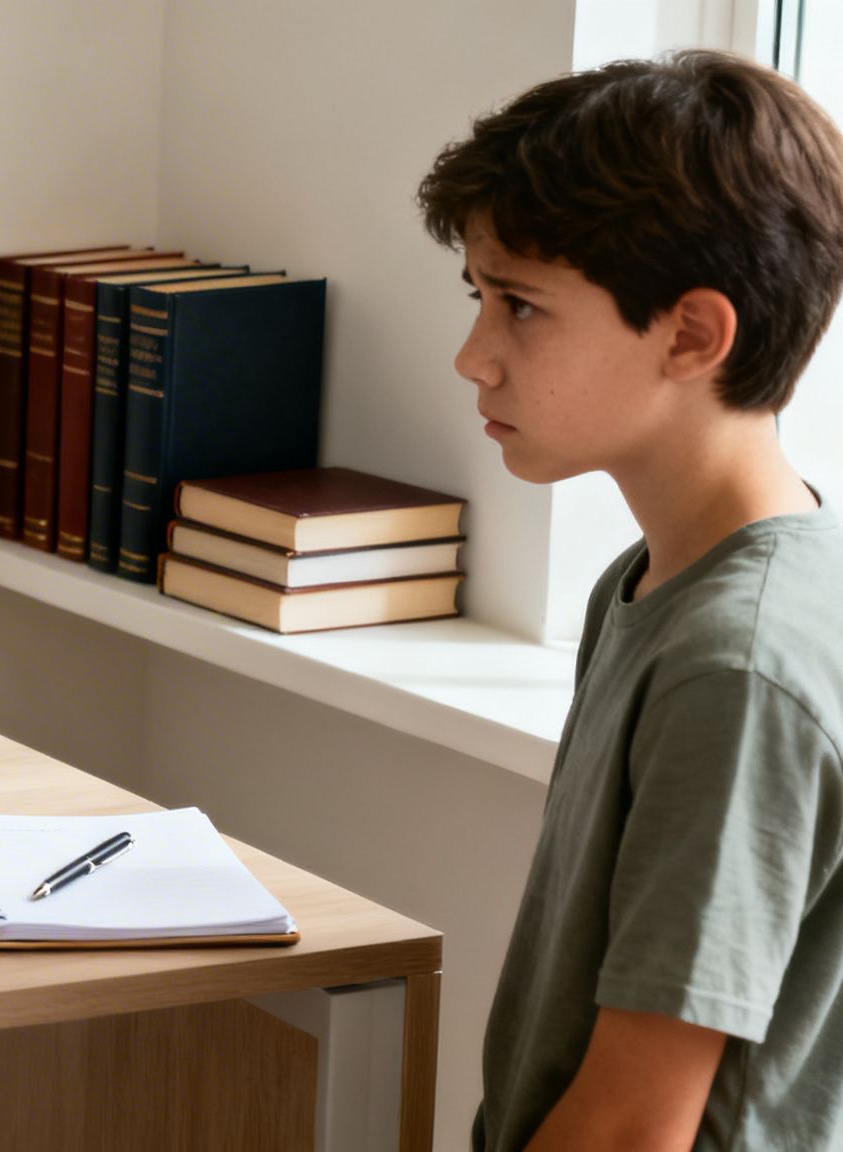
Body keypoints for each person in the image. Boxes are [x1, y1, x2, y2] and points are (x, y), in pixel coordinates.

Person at [418, 51, 843, 1150]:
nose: (473, 357)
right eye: (478, 297)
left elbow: (629, 1130)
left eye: (519, 306)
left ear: (691, 335)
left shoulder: (734, 667)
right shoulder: (653, 579)